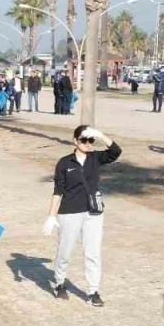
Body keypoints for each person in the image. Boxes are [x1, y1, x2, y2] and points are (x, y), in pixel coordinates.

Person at [44, 126, 121, 307]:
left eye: (90, 140)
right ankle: (59, 283)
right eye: (84, 140)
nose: (88, 143)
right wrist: (51, 215)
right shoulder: (64, 163)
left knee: (93, 253)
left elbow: (115, 151)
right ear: (75, 141)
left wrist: (100, 135)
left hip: (93, 212)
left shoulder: (95, 158)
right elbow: (58, 190)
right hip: (69, 212)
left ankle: (93, 291)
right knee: (64, 252)